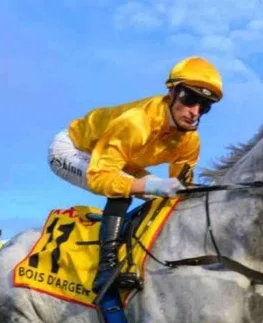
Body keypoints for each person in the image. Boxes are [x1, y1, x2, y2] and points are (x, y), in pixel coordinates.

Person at [47, 56, 222, 293]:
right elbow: (102, 178)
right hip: (74, 149)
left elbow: (181, 187)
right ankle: (106, 266)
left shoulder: (190, 139)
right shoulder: (136, 123)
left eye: (204, 106)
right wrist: (151, 186)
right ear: (171, 92)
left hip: (121, 159)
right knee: (124, 188)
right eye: (190, 99)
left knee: (166, 199)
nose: (195, 112)